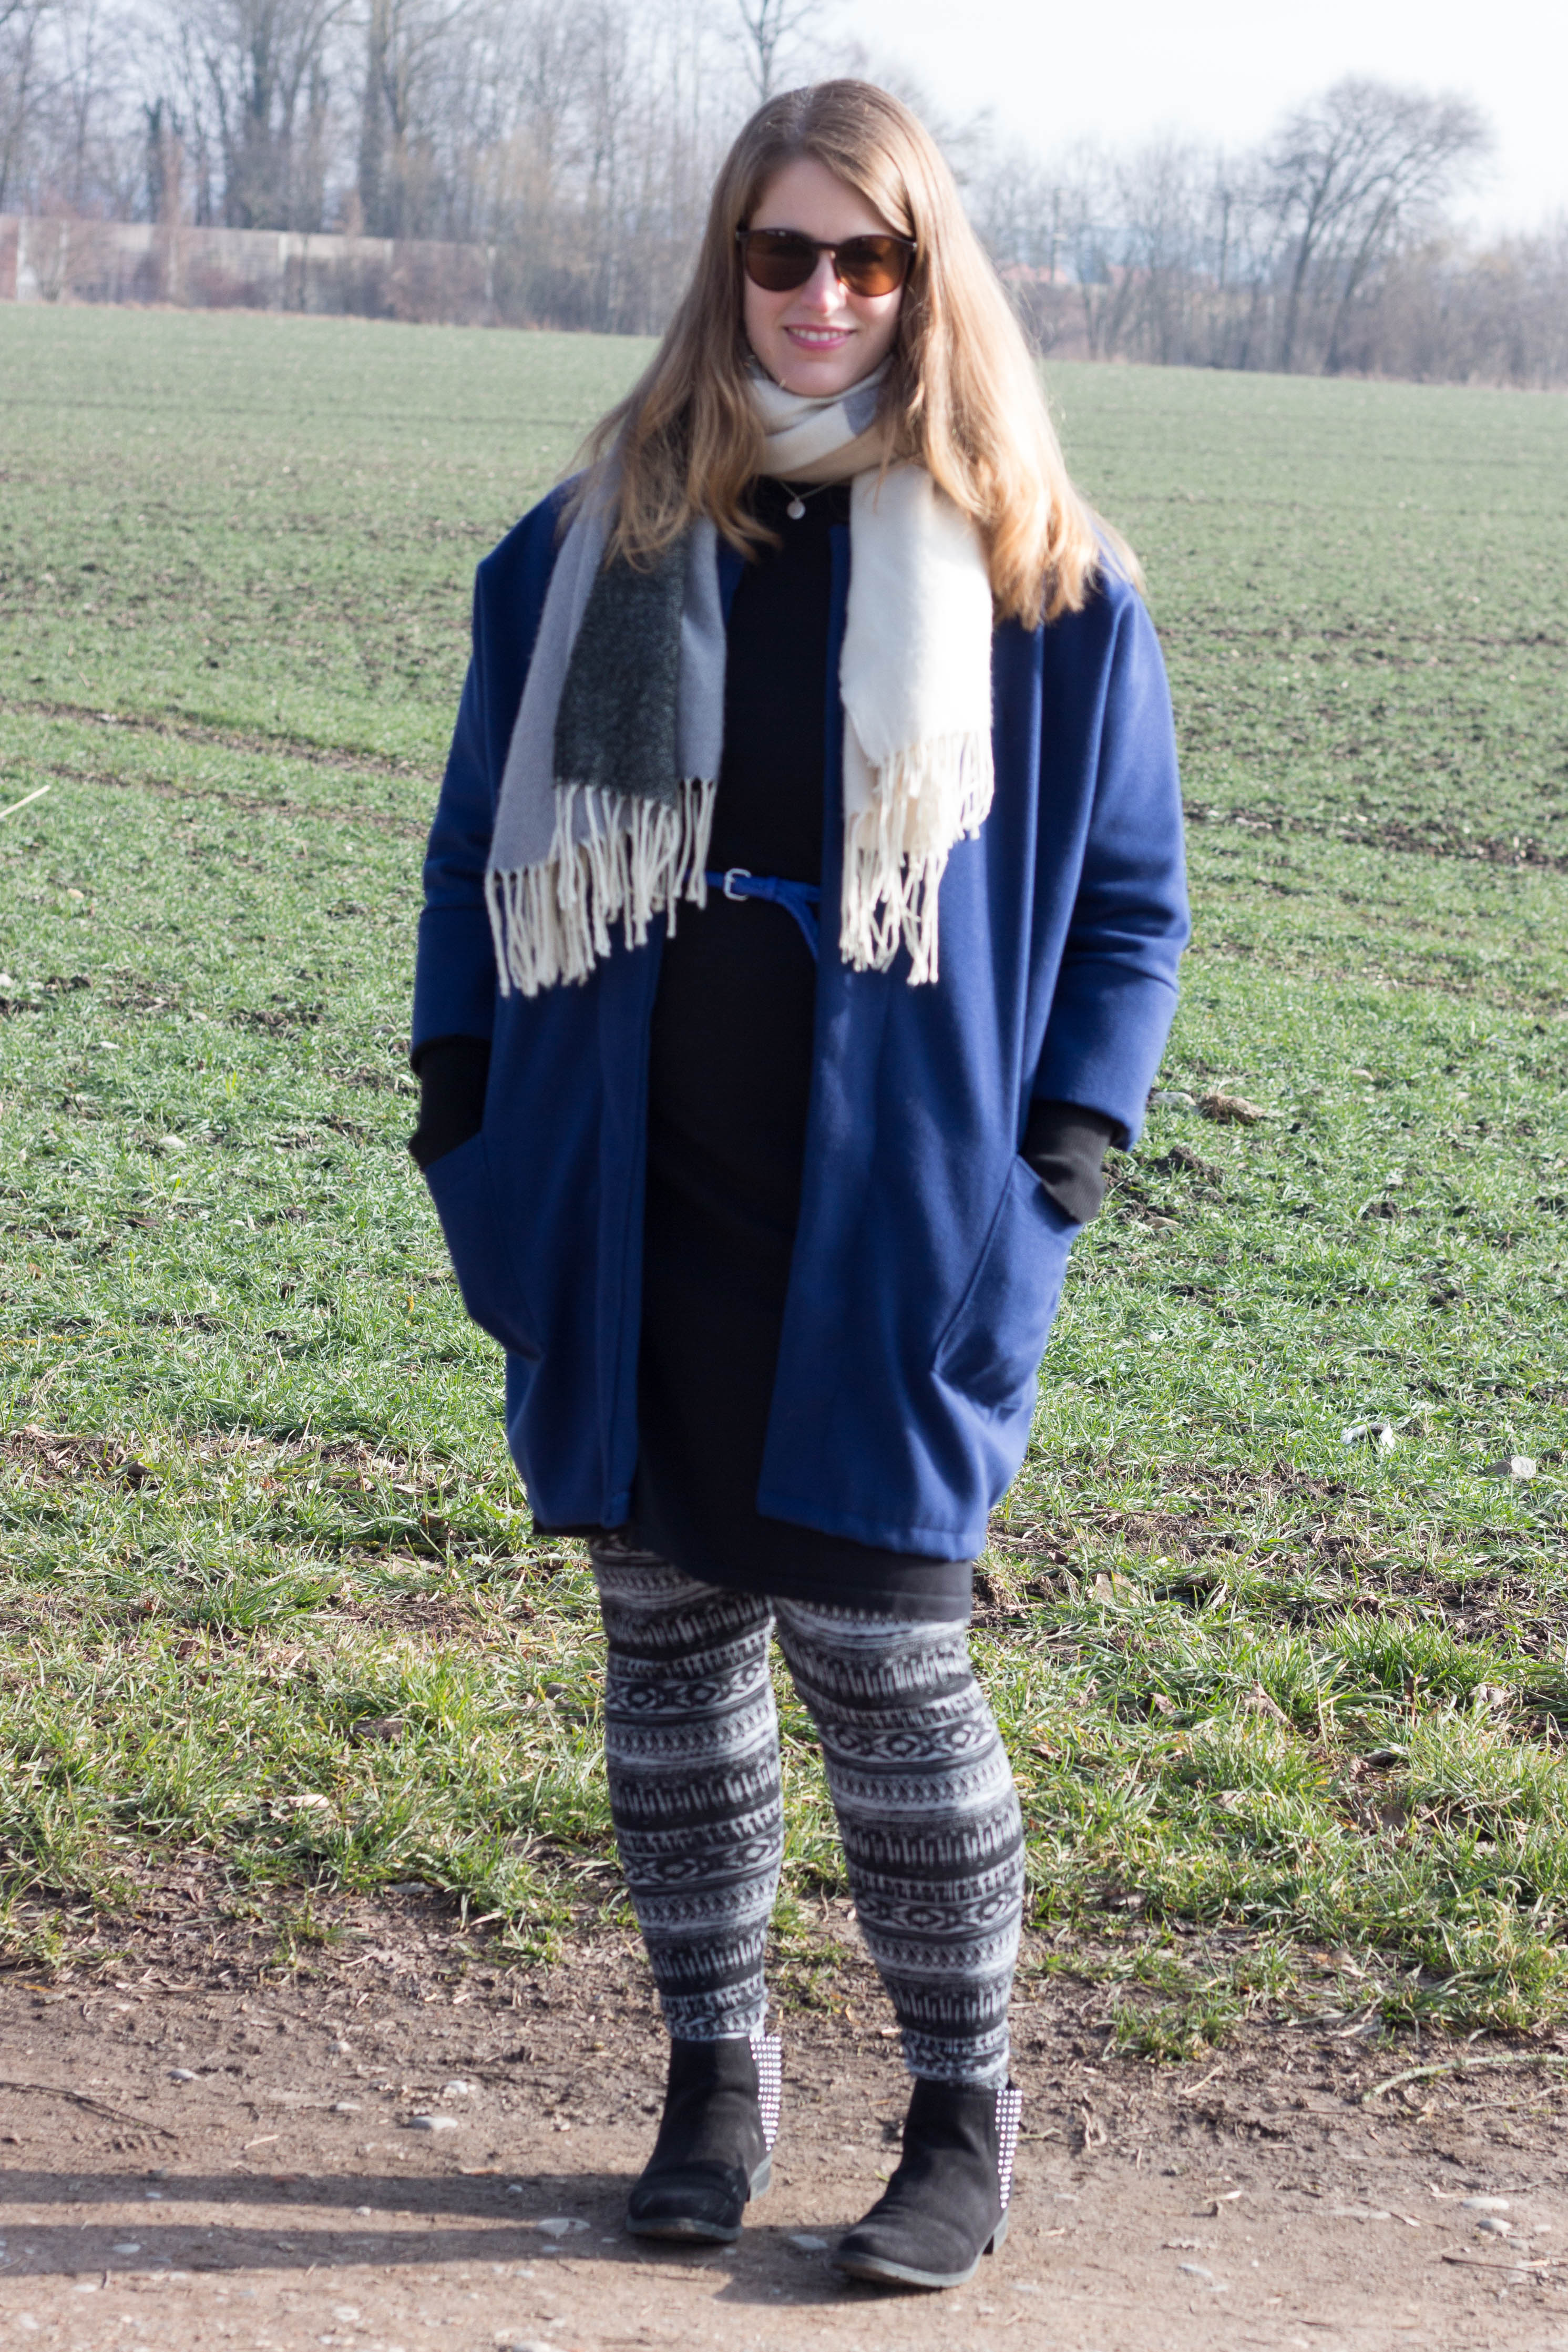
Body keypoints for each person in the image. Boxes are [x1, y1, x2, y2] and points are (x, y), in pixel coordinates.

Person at [410, 77, 1187, 2292]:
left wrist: (1059, 1163)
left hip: (895, 1218)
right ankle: (709, 2088)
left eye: (868, 256)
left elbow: (1128, 907)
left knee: (888, 1667)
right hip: (630, 1189)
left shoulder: (1038, 572)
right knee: (667, 1651)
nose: (822, 295)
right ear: (726, 265)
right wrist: (464, 1117)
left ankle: (959, 2121)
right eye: (782, 252)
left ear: (926, 277)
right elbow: (473, 856)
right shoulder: (589, 543)